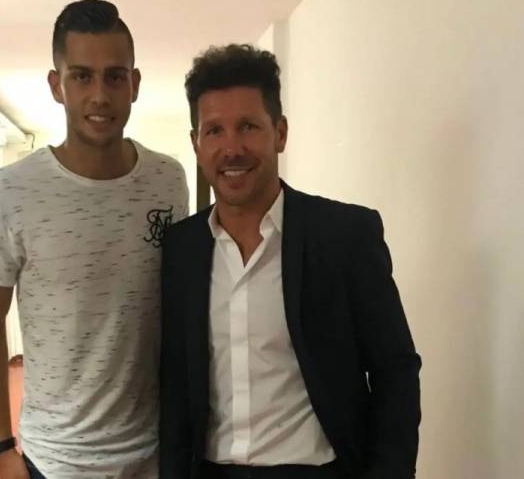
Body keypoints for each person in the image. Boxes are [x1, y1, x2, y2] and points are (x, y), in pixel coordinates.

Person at [159, 44, 420, 479]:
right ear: (196, 144)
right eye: (215, 131)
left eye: (248, 126)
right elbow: (175, 387)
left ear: (279, 133)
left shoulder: (344, 236)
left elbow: (395, 370)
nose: (232, 148)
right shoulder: (180, 250)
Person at [0, 0, 188, 479]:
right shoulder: (7, 192)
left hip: (153, 454)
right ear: (57, 85)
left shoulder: (168, 181)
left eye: (115, 76)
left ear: (134, 84)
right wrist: (2, 448)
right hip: (54, 461)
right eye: (82, 76)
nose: (99, 95)